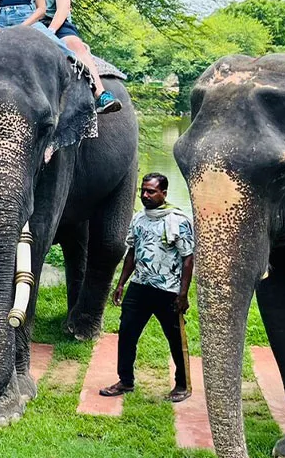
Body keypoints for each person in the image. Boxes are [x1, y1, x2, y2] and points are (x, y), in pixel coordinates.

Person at [101, 172, 195, 403]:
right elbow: (132, 252)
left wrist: (183, 294)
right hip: (140, 287)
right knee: (127, 334)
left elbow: (188, 258)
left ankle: (182, 384)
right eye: (143, 190)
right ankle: (125, 380)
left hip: (168, 291)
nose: (145, 195)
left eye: (151, 191)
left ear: (164, 193)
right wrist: (121, 283)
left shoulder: (178, 221)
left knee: (175, 338)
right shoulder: (139, 219)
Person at [30, 0, 121, 114]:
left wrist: (50, 33)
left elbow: (63, 8)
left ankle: (101, 95)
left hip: (56, 24)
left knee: (76, 46)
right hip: (29, 24)